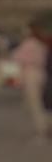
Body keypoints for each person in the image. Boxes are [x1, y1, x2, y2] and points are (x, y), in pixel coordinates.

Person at [14, 14, 52, 142]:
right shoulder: (42, 43)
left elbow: (18, 58)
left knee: (35, 103)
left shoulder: (31, 43)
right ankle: (46, 126)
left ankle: (42, 129)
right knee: (41, 103)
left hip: (32, 72)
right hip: (41, 73)